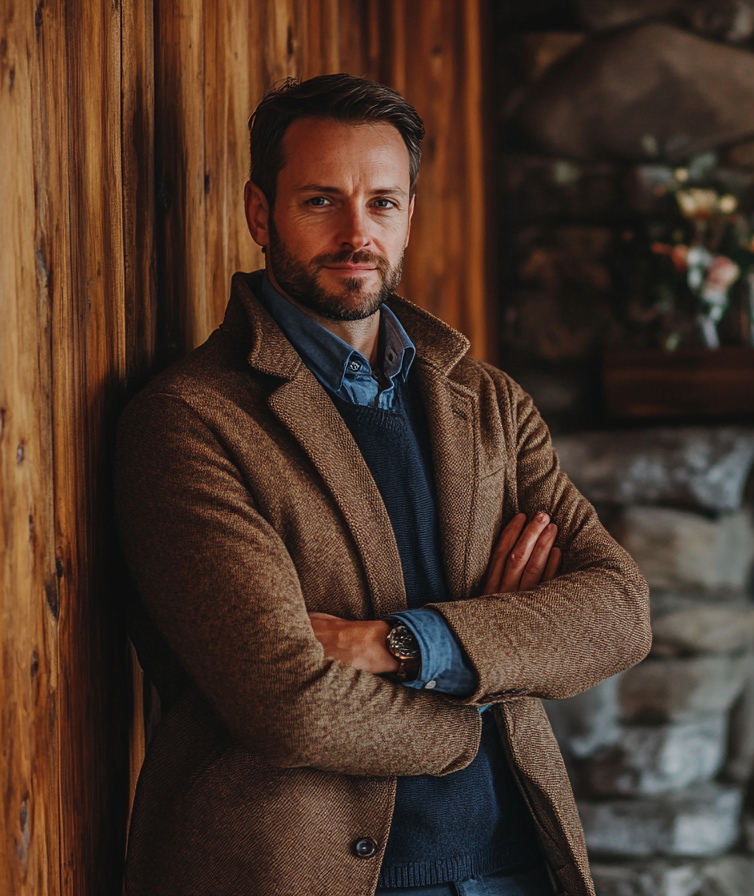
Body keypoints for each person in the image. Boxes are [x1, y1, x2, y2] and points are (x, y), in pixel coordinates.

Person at [114, 73, 651, 896]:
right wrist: (484, 682)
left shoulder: (490, 402)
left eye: (383, 203)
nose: (357, 232)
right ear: (262, 214)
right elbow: (288, 702)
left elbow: (618, 609)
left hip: (515, 869)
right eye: (322, 201)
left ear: (408, 217)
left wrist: (403, 646)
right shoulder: (191, 420)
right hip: (299, 874)